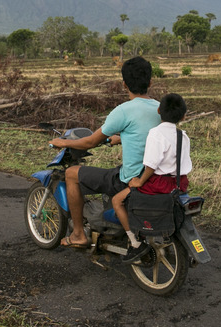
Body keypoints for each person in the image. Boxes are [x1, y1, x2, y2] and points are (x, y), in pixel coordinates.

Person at [48, 56, 160, 249]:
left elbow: (90, 142)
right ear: (150, 82)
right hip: (156, 175)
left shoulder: (123, 111)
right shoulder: (161, 108)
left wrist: (63, 141)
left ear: (124, 84)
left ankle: (78, 235)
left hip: (130, 179)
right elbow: (149, 136)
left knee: (71, 173)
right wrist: (122, 137)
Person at [112, 92, 192, 263]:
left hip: (158, 183)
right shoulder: (182, 136)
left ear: (158, 111)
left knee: (117, 200)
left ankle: (135, 244)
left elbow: (151, 164)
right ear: (184, 116)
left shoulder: (155, 134)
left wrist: (140, 181)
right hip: (179, 182)